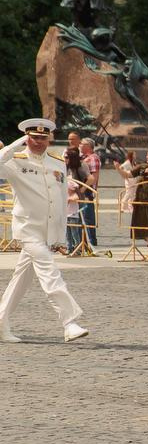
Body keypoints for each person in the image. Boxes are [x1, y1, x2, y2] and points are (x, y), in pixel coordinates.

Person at [0, 119, 88, 343]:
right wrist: (15, 144)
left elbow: (60, 199)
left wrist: (60, 236)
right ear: (26, 138)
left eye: (43, 138)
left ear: (49, 139)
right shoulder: (15, 161)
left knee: (20, 280)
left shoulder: (57, 162)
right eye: (34, 137)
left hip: (47, 230)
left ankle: (0, 322)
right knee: (49, 271)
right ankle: (69, 322)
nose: (38, 142)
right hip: (27, 228)